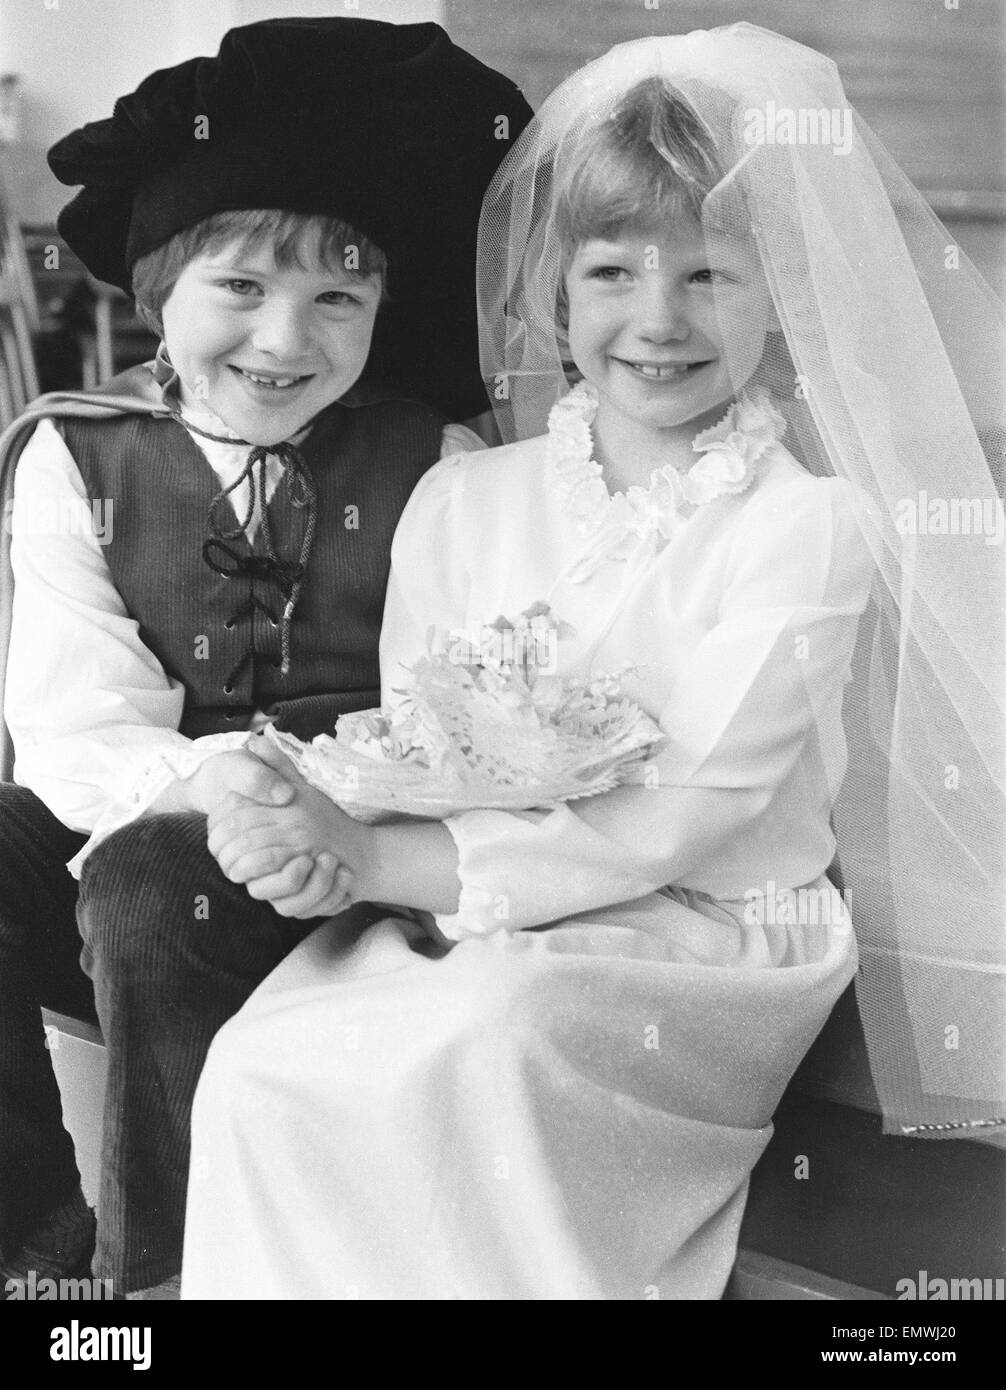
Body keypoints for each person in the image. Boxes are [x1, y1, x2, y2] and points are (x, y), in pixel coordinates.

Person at [182, 22, 1005, 1299]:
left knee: (485, 1048)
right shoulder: (464, 496)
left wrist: (381, 859)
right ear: (554, 293)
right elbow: (419, 740)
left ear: (775, 291)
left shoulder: (805, 523)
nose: (656, 320)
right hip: (462, 907)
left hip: (705, 930)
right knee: (264, 1064)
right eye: (612, 271)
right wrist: (320, 823)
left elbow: (699, 804)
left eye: (709, 277)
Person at [0, 17, 531, 1298]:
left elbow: (457, 709)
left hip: (360, 836)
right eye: (239, 288)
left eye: (336, 298)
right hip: (160, 796)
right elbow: (76, 726)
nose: (286, 342)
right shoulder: (78, 452)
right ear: (155, 294)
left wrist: (296, 794)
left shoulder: (439, 462)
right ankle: (40, 1239)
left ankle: (167, 1278)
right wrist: (217, 780)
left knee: (142, 885)